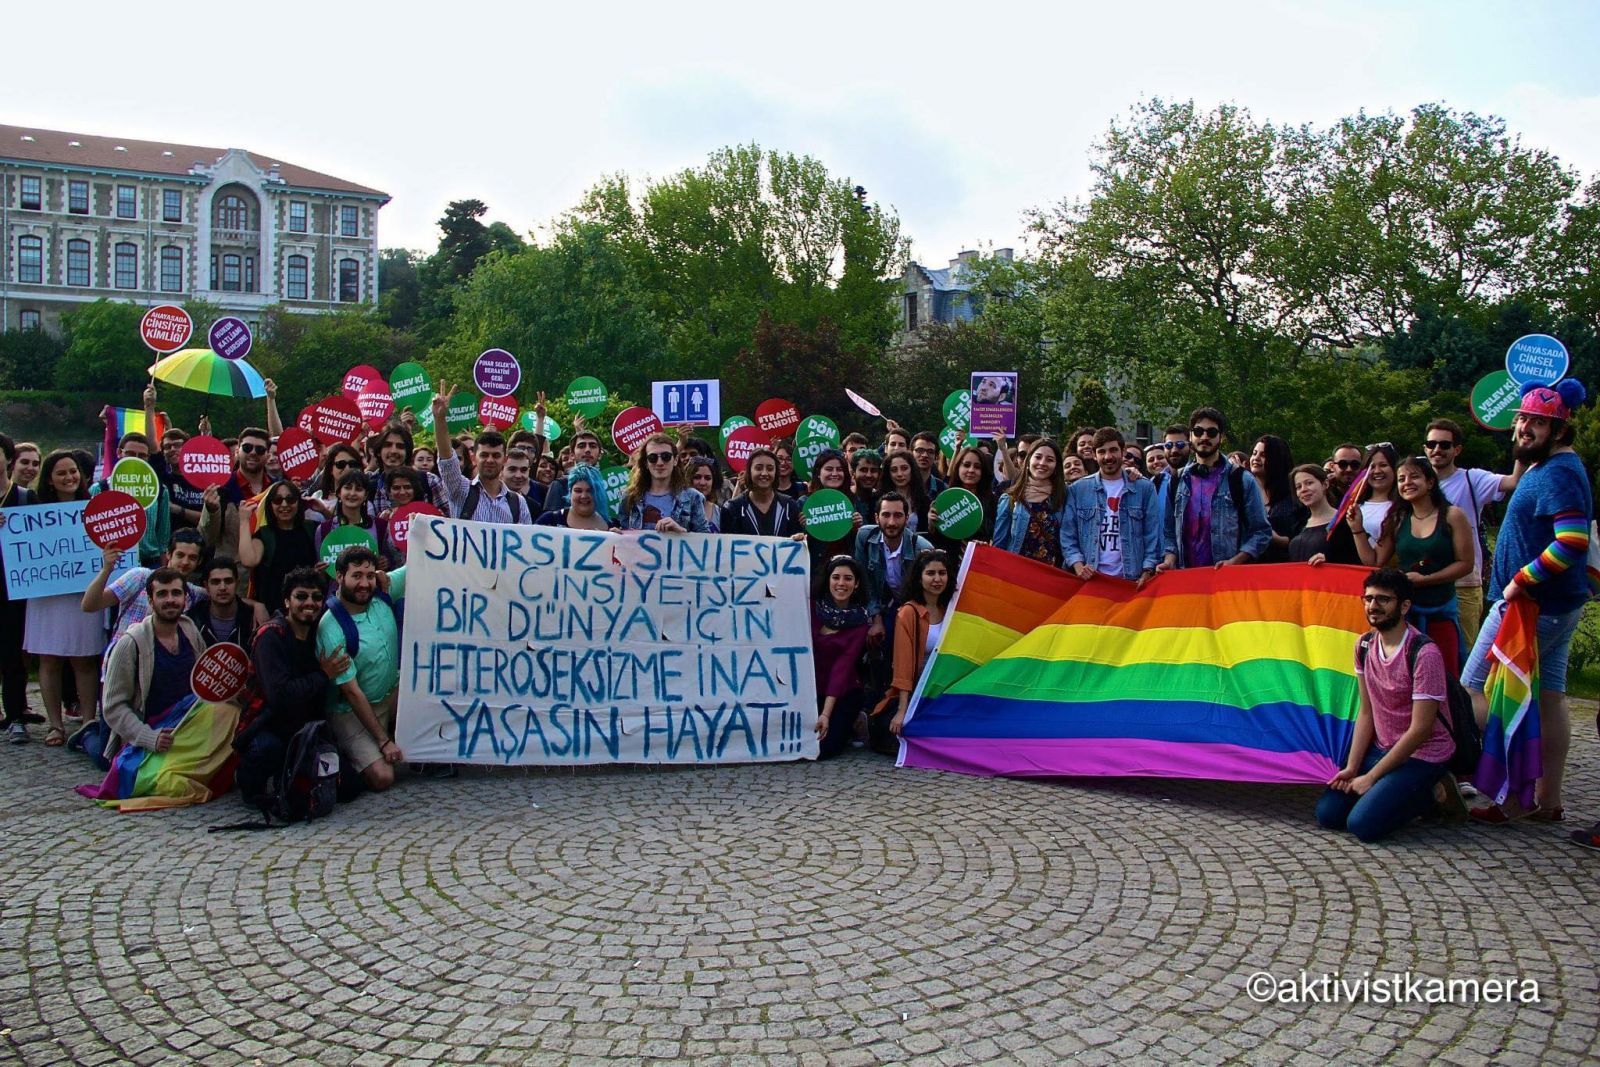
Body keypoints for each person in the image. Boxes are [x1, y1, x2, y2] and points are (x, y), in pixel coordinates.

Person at [1459, 380, 1592, 825]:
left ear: (1559, 430)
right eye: (1521, 418)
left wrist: (1520, 580)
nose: (1523, 428)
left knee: (1479, 690)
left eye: (1537, 422)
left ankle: (1506, 797)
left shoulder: (1558, 473)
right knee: (1550, 697)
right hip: (1557, 604)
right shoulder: (1547, 467)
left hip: (1528, 606)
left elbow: (1572, 541)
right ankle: (1547, 799)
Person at [1315, 569, 1463, 844]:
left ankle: (1434, 792)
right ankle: (1396, 790)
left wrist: (1371, 777)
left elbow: (1421, 729)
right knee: (1329, 814)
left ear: (1404, 606)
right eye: (1368, 599)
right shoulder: (1363, 645)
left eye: (1383, 600)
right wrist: (1352, 766)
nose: (1373, 606)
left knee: (1363, 826)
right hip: (1382, 747)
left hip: (1423, 753)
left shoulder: (1423, 653)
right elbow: (1367, 712)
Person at [235, 566, 350, 802]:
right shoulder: (270, 636)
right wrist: (323, 674)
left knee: (349, 786)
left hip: (305, 728)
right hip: (267, 726)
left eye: (317, 597)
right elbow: (280, 695)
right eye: (301, 596)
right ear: (287, 601)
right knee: (267, 751)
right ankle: (249, 780)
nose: (310, 603)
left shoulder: (316, 634)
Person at [1357, 456, 1473, 680]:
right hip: (1404, 615)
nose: (1407, 482)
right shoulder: (1398, 519)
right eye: (1401, 479)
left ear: (1430, 482)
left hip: (1441, 611)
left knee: (1445, 674)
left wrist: (1426, 580)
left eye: (1414, 476)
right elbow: (1373, 561)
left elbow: (1465, 564)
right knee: (1406, 676)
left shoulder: (1453, 516)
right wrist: (1357, 530)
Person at [26, 450, 105, 745]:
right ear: (49, 479)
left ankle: (88, 720)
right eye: (61, 473)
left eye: (72, 471)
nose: (69, 477)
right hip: (47, 595)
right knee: (49, 659)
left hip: (83, 594)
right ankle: (55, 725)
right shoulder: (32, 513)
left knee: (84, 658)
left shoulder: (95, 508)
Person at [1423, 417, 1524, 643]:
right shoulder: (1414, 481)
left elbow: (1514, 481)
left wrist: (1519, 436)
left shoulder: (1473, 478)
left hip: (1463, 583)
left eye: (1444, 445)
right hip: (1424, 580)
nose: (1437, 449)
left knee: (1463, 651)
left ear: (1457, 449)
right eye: (1432, 444)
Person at [97, 567, 213, 762]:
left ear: (185, 600)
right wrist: (148, 737)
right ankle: (88, 736)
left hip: (184, 726)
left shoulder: (190, 630)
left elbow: (204, 683)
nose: (170, 600)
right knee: (104, 761)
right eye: (162, 594)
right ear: (150, 601)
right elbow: (113, 707)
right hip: (147, 732)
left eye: (176, 593)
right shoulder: (129, 643)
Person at [317, 546, 406, 791]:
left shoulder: (381, 591)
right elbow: (352, 693)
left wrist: (421, 527)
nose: (365, 583)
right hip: (351, 711)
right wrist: (383, 740)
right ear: (340, 577)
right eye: (356, 576)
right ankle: (347, 750)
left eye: (369, 575)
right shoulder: (331, 627)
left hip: (391, 694)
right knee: (383, 778)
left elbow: (416, 568)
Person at [1157, 407, 1271, 571]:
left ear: (1221, 437)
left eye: (1211, 432)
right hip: (1186, 580)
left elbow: (1261, 531)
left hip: (1227, 582)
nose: (1204, 437)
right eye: (1198, 431)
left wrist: (1235, 561)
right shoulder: (1177, 480)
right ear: (1190, 436)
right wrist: (1169, 559)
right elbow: (1169, 532)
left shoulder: (1240, 479)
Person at [82, 530, 207, 677]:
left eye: (192, 558)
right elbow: (89, 605)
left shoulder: (194, 593)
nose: (185, 562)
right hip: (123, 665)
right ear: (168, 554)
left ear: (199, 562)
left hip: (161, 675)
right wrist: (106, 569)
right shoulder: (140, 577)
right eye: (180, 555)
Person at [1064, 427, 1160, 585]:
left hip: (1132, 579)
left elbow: (1152, 534)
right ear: (1094, 455)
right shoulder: (1077, 490)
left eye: (1113, 450)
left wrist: (1147, 570)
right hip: (1090, 579)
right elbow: (1068, 534)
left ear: (1123, 451)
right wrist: (1078, 565)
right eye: (1102, 452)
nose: (1108, 457)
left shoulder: (1144, 488)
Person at [883, 549, 955, 740]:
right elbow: (903, 666)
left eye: (942, 573)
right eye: (930, 573)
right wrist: (902, 710)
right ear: (919, 578)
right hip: (916, 693)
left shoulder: (950, 610)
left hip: (942, 694)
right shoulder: (908, 613)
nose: (937, 579)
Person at [431, 391, 533, 525]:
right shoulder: (460, 490)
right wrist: (439, 419)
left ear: (505, 459)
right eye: (484, 455)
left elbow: (525, 542)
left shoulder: (518, 504)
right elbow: (447, 460)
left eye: (496, 455)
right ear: (473, 458)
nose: (490, 460)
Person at [810, 556, 873, 759]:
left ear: (856, 584)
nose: (841, 583)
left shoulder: (860, 621)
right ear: (828, 580)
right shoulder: (810, 608)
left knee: (823, 749)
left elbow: (842, 669)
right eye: (836, 577)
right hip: (809, 690)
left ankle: (853, 719)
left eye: (848, 578)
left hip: (842, 692)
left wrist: (825, 715)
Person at [853, 491, 933, 643]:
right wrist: (876, 619)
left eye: (897, 515)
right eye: (885, 515)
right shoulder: (865, 537)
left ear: (907, 518)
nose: (891, 522)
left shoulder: (922, 548)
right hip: (882, 604)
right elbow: (865, 583)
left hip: (915, 607)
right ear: (877, 518)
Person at [91, 427, 172, 567]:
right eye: (130, 454)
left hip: (150, 564)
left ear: (148, 458)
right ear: (119, 453)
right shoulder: (99, 489)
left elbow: (163, 539)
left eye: (142, 455)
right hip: (113, 564)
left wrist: (163, 569)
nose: (136, 459)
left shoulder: (160, 491)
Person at [238, 481, 319, 606]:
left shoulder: (312, 528)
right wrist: (244, 521)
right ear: (270, 505)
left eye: (290, 499)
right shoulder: (265, 534)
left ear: (299, 502)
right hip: (274, 610)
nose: (284, 504)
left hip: (309, 608)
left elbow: (340, 536)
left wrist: (324, 511)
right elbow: (249, 561)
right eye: (277, 500)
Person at [199, 425, 276, 555]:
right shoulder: (220, 488)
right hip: (232, 570)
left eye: (260, 449)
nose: (252, 452)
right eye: (247, 448)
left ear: (268, 456)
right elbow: (206, 538)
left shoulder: (276, 489)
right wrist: (211, 511)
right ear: (236, 452)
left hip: (268, 569)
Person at [993, 438, 1070, 568]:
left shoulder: (1064, 496)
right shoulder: (1010, 499)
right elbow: (999, 545)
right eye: (1038, 457)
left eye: (1050, 460)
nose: (1042, 463)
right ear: (1028, 461)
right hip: (1018, 576)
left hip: (1054, 576)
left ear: (1057, 466)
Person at [620, 433, 710, 532]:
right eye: (652, 458)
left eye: (666, 456)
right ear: (646, 463)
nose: (659, 463)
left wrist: (680, 531)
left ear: (675, 460)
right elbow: (625, 538)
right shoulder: (629, 497)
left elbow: (705, 540)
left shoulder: (693, 497)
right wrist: (616, 535)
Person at [186, 558, 269, 653]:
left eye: (228, 581)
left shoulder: (253, 619)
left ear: (237, 583)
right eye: (216, 582)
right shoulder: (193, 619)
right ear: (206, 586)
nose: (222, 587)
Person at [928, 444, 996, 558]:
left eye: (977, 467)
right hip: (948, 564)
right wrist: (932, 524)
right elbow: (935, 540)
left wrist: (986, 545)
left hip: (979, 563)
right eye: (966, 465)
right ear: (958, 467)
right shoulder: (944, 498)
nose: (971, 470)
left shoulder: (993, 501)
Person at [1248, 434, 1306, 562]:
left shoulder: (1295, 498)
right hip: (1249, 570)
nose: (1256, 458)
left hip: (1284, 568)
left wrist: (1277, 539)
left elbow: (1306, 540)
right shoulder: (1245, 494)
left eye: (1263, 455)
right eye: (1254, 453)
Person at [798, 449, 861, 566]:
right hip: (815, 568)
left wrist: (858, 527)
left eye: (840, 469)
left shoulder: (854, 501)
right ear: (818, 473)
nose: (835, 474)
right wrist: (802, 529)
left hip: (847, 567)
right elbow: (794, 541)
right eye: (829, 469)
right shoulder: (804, 503)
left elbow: (863, 541)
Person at [720, 448, 800, 537]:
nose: (764, 473)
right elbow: (726, 546)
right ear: (749, 471)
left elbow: (798, 542)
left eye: (770, 469)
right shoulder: (732, 508)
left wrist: (800, 539)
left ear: (776, 472)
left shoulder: (790, 505)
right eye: (758, 468)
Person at [371, 424, 447, 514]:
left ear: (407, 452)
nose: (393, 451)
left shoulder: (429, 481)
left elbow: (449, 520)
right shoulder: (371, 487)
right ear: (379, 451)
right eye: (388, 445)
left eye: (400, 446)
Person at [1287, 465, 1349, 564]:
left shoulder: (1344, 520)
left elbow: (1354, 559)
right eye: (1298, 487)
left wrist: (1330, 562)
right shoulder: (1298, 523)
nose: (1303, 489)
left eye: (1309, 483)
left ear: (1325, 484)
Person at [535, 464, 614, 530]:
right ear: (570, 492)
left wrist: (619, 541)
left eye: (590, 491)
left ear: (599, 493)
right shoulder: (548, 520)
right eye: (578, 491)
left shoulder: (613, 526)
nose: (584, 496)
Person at [543, 429, 606, 512]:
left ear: (600, 455)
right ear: (572, 454)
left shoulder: (606, 485)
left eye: (593, 446)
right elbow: (547, 523)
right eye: (581, 446)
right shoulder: (560, 485)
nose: (587, 450)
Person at [882, 448, 931, 535]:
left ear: (912, 469)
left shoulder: (925, 501)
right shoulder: (878, 499)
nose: (899, 474)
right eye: (894, 470)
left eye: (904, 468)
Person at [502, 446, 548, 516]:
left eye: (523, 470)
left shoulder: (534, 507)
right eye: (512, 469)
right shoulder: (487, 500)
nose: (518, 475)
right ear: (501, 471)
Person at [686, 457, 723, 533]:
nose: (702, 483)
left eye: (707, 478)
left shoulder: (718, 512)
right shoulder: (677, 508)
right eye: (697, 477)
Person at [849, 448, 883, 524]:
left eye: (873, 470)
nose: (868, 475)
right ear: (853, 472)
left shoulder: (882, 500)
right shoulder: (846, 501)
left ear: (879, 474)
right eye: (863, 470)